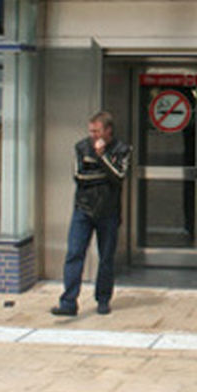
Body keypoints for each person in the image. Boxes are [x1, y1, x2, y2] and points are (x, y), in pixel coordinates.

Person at [52, 110, 131, 316]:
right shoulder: (81, 147)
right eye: (91, 131)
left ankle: (103, 299)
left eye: (97, 131)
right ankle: (68, 302)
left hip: (108, 211)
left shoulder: (122, 149)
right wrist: (104, 174)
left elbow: (119, 176)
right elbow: (79, 177)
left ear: (108, 130)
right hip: (84, 209)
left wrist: (101, 157)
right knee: (74, 254)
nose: (93, 135)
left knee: (106, 257)